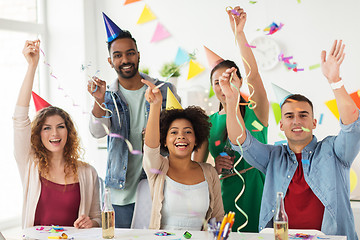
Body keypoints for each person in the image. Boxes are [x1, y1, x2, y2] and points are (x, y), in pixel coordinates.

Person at [221, 40, 359, 239]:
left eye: (303, 115)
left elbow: (352, 125)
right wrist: (232, 100)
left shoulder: (334, 151)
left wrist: (335, 80)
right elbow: (240, 141)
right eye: (289, 116)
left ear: (313, 123)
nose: (296, 121)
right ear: (281, 125)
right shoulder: (272, 157)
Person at [88, 14, 180, 228]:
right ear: (110, 61)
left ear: (138, 55)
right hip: (119, 191)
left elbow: (179, 134)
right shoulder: (107, 95)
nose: (125, 60)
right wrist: (99, 100)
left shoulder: (164, 90)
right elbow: (97, 132)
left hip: (157, 187)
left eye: (130, 53)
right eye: (118, 55)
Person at [194, 7, 268, 232]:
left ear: (239, 81)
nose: (222, 85)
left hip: (258, 192)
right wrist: (214, 168)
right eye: (217, 82)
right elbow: (196, 167)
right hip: (224, 197)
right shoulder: (208, 122)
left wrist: (239, 34)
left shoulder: (257, 111)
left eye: (229, 78)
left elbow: (254, 74)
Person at [14, 40, 101, 229]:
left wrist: (91, 222)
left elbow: (98, 218)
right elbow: (20, 119)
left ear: (69, 132)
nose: (54, 133)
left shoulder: (88, 173)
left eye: (60, 126)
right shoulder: (29, 165)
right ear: (38, 134)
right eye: (46, 128)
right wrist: (32, 66)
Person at [141, 79, 224, 230]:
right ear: (164, 140)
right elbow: (150, 148)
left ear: (196, 139)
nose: (181, 136)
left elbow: (218, 219)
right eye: (174, 132)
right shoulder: (157, 167)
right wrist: (155, 105)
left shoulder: (209, 172)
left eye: (188, 132)